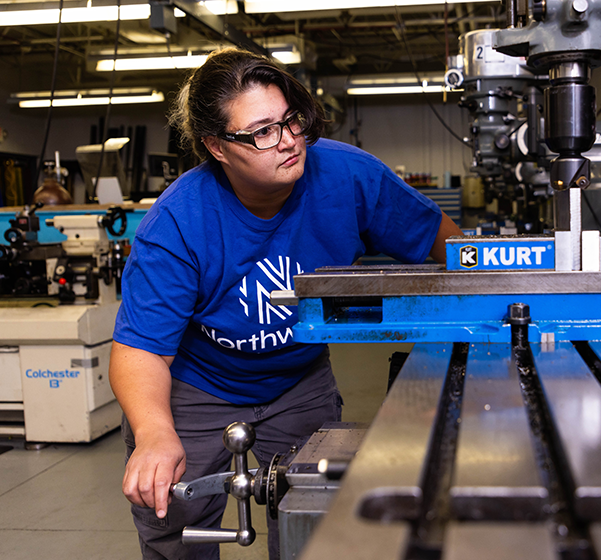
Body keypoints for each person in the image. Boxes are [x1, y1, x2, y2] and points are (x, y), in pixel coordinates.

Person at [109, 47, 462, 560]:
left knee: (313, 526)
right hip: (197, 387)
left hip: (299, 382)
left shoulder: (348, 176)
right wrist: (155, 433)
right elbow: (139, 349)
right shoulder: (179, 223)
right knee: (175, 532)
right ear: (217, 147)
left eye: (291, 120)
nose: (289, 141)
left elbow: (446, 243)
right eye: (262, 132)